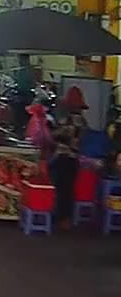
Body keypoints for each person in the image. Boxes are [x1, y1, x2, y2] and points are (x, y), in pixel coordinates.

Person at [50, 86, 88, 229]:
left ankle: (62, 218)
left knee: (62, 189)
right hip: (74, 158)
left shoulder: (68, 120)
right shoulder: (83, 122)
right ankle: (66, 219)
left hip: (63, 157)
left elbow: (56, 135)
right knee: (68, 189)